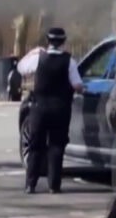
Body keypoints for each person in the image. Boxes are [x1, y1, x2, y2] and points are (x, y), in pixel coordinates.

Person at [18, 27, 85, 194]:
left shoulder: (39, 58)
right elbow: (77, 85)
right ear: (63, 42)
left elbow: (21, 68)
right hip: (61, 109)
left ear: (48, 41)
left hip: (39, 108)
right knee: (56, 146)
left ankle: (30, 184)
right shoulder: (69, 62)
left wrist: (33, 52)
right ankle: (54, 185)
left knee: (35, 146)